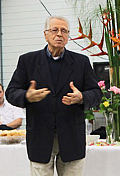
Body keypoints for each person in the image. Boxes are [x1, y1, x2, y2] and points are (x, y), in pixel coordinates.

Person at [5, 16, 102, 176]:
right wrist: (26, 96)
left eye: (64, 31)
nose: (59, 34)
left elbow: (96, 93)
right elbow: (11, 92)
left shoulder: (81, 62)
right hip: (40, 137)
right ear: (45, 34)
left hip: (72, 138)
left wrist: (82, 97)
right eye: (54, 30)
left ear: (68, 36)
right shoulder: (27, 61)